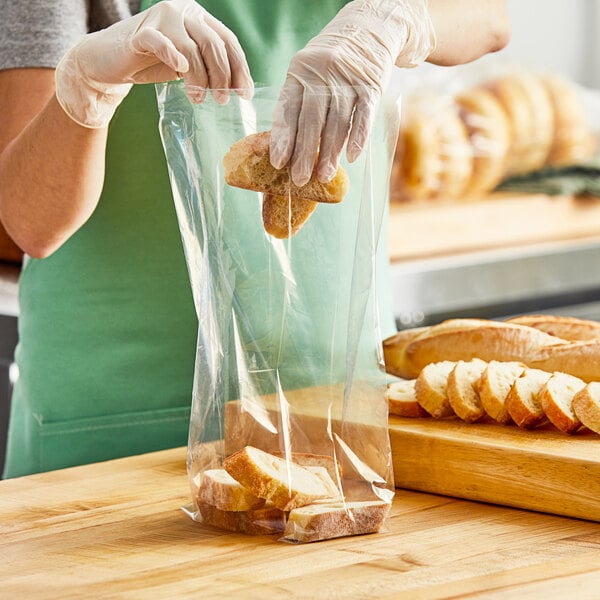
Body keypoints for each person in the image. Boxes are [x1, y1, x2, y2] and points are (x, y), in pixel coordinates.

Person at [0, 0, 510, 478]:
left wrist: (396, 15)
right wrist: (87, 83)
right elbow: (31, 219)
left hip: (334, 396)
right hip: (122, 414)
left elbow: (488, 17)